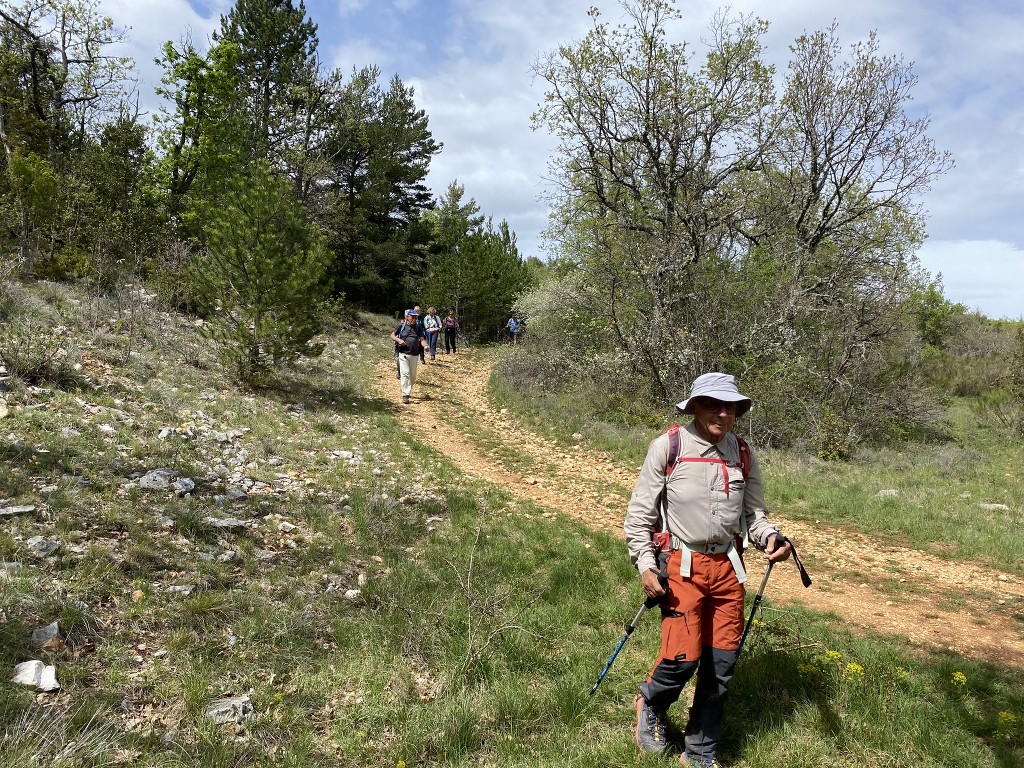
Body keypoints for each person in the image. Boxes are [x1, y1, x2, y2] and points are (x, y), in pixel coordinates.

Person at [624, 372, 792, 767]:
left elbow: (754, 515)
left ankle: (699, 752)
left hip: (728, 570)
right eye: (714, 405)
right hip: (681, 566)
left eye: (730, 407)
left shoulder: (744, 453)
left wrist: (770, 538)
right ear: (695, 406)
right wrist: (647, 565)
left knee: (721, 664)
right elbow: (639, 516)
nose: (723, 413)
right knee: (682, 658)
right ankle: (651, 704)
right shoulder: (669, 446)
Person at [390, 309, 427, 404]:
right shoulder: (401, 326)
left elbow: (422, 339)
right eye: (412, 317)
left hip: (415, 354)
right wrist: (398, 340)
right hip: (403, 353)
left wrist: (425, 346)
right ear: (407, 317)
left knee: (413, 376)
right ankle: (405, 394)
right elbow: (392, 335)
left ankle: (407, 388)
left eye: (415, 317)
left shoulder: (418, 327)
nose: (414, 319)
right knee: (405, 373)